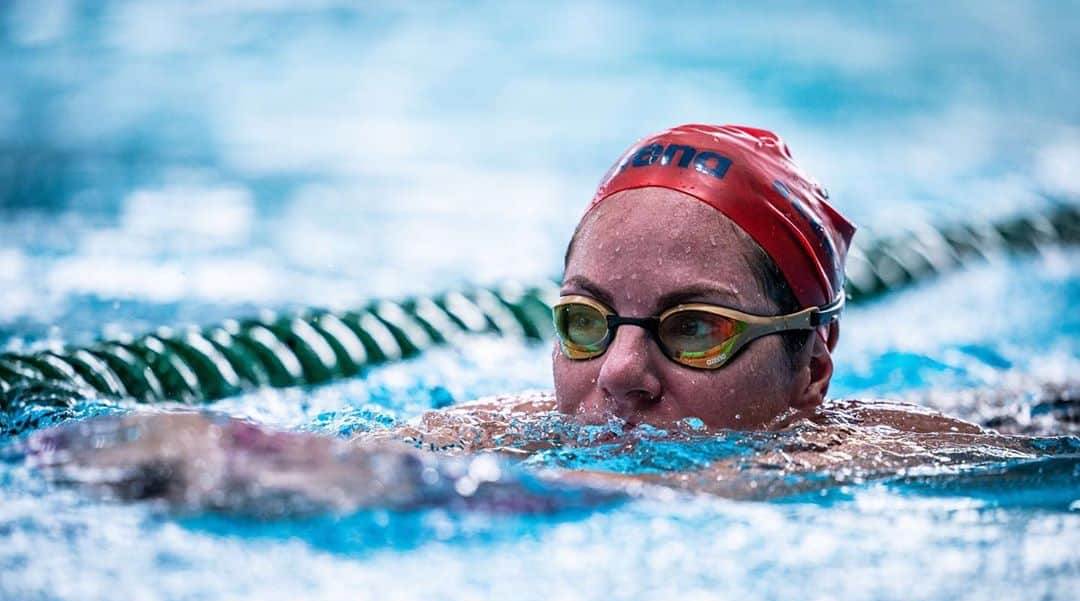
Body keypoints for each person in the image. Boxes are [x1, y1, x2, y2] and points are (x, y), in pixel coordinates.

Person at [22, 125, 1059, 508]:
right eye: (584, 321)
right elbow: (380, 453)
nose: (618, 374)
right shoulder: (515, 421)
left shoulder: (861, 464)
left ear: (814, 366)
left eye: (695, 329)